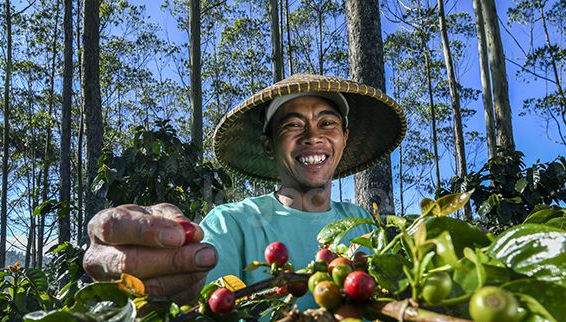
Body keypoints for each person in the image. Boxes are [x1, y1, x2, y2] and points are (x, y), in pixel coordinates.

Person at [83, 74, 406, 307]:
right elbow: (196, 289)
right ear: (268, 145)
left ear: (344, 138)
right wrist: (152, 271)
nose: (312, 136)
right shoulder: (232, 223)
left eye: (327, 124)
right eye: (292, 125)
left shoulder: (365, 223)